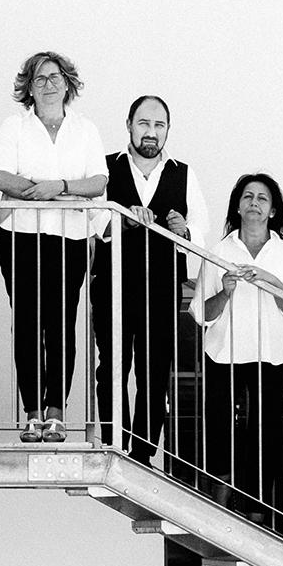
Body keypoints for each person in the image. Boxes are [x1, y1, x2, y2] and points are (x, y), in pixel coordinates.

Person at [0, 51, 111, 442]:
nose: (47, 84)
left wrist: (54, 188)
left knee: (61, 322)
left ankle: (56, 411)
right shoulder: (14, 125)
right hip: (20, 235)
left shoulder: (85, 129)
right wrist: (43, 191)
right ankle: (32, 412)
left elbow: (98, 183)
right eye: (39, 79)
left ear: (67, 82)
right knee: (26, 322)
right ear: (29, 86)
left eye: (54, 77)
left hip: (71, 238)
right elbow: (3, 177)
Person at [90, 96, 209, 465]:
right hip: (113, 283)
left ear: (167, 131)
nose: (151, 133)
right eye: (144, 124)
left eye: (159, 126)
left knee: (154, 371)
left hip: (162, 285)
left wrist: (184, 230)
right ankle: (114, 441)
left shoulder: (183, 174)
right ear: (129, 125)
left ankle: (141, 452)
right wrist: (120, 218)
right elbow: (92, 220)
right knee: (111, 366)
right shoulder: (106, 169)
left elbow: (201, 233)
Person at [194, 174, 283, 515]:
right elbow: (202, 314)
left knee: (268, 429)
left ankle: (257, 504)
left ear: (273, 211)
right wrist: (224, 292)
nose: (254, 203)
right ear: (238, 205)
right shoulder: (219, 251)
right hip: (224, 352)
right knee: (220, 423)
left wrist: (271, 281)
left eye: (262, 198)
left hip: (272, 354)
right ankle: (221, 494)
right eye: (248, 196)